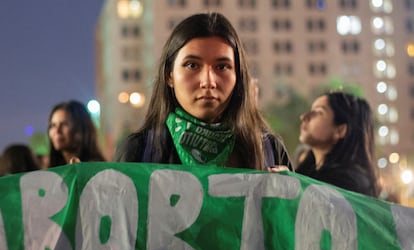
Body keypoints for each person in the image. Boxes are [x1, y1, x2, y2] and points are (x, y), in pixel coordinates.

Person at [115, 12, 292, 171]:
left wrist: (288, 200)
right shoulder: (139, 152)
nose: (208, 82)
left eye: (222, 67)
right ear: (169, 75)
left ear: (238, 75)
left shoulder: (269, 151)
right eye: (192, 65)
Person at [296, 91, 380, 197]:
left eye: (318, 112)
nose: (304, 117)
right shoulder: (308, 173)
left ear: (340, 130)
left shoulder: (348, 184)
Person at [48, 100, 106, 167]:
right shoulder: (50, 170)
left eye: (64, 124)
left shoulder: (98, 169)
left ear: (81, 128)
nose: (57, 131)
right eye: (53, 125)